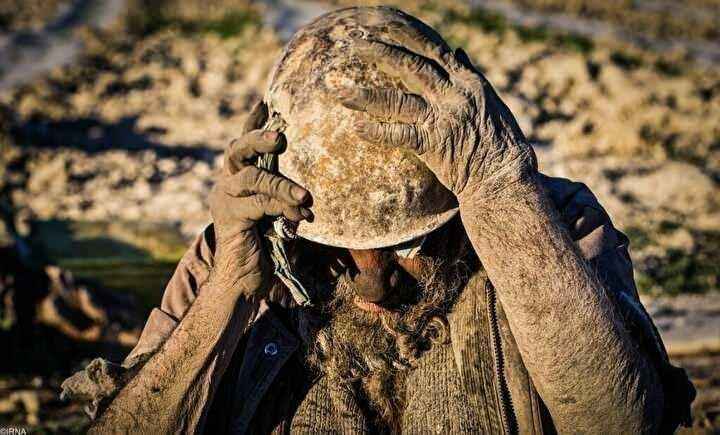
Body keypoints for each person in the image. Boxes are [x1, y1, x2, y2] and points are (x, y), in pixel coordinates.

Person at [62, 6, 694, 434]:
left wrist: (500, 192)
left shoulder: (548, 221)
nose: (371, 278)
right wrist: (226, 294)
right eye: (335, 245)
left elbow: (623, 421)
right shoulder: (236, 251)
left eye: (405, 243)